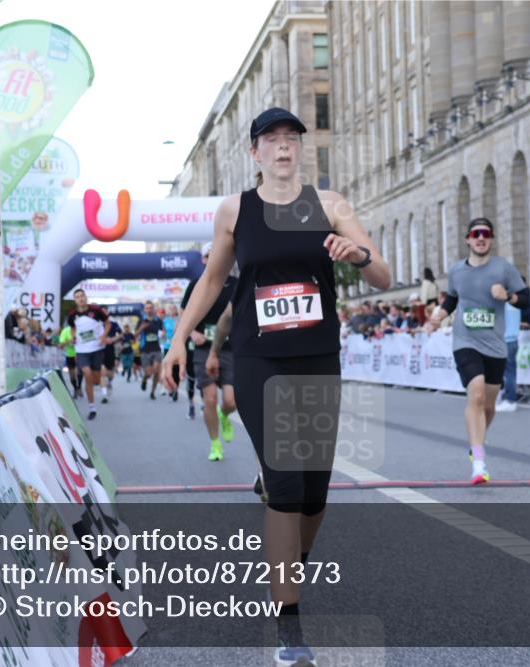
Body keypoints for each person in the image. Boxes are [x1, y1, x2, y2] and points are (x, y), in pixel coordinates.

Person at [160, 107, 390, 665]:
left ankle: (289, 563)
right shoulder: (236, 211)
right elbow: (214, 279)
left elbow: (383, 273)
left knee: (314, 493)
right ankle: (288, 624)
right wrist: (177, 341)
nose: (284, 149)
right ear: (255, 153)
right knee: (287, 486)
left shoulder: (330, 206)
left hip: (317, 357)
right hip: (261, 360)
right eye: (273, 140)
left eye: (292, 140)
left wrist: (356, 253)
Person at [427, 217, 529, 484]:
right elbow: (452, 298)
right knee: (476, 393)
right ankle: (479, 462)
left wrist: (509, 296)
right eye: (475, 234)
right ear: (468, 239)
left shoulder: (504, 268)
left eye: (485, 234)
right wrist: (439, 315)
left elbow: (526, 300)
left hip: (495, 345)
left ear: (491, 239)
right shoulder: (456, 271)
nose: (480, 238)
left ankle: (476, 444)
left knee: (489, 405)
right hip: (465, 341)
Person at [180, 241, 239, 461]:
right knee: (211, 398)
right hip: (204, 349)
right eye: (209, 255)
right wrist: (192, 333)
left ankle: (225, 416)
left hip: (231, 349)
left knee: (231, 401)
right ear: (204, 260)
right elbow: (183, 316)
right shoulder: (196, 285)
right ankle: (215, 445)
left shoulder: (237, 283)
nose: (215, 258)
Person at [66, 288, 110, 420]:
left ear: (86, 297)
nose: (80, 298)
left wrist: (104, 335)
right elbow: (73, 328)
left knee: (96, 380)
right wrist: (73, 337)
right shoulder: (72, 315)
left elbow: (107, 323)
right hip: (82, 350)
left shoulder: (96, 311)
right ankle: (92, 408)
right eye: (77, 297)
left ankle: (97, 383)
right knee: (87, 374)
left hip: (96, 348)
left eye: (82, 296)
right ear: (75, 300)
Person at [136, 301, 165, 400]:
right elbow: (135, 335)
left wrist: (163, 333)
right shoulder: (141, 320)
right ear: (144, 310)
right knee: (149, 373)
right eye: (147, 308)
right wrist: (142, 328)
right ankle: (145, 379)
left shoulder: (157, 320)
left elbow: (162, 331)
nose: (149, 310)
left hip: (156, 348)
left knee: (157, 371)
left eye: (150, 308)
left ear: (153, 309)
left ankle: (152, 392)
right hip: (145, 350)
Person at [100, 315, 124, 403]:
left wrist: (112, 339)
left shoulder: (113, 324)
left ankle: (109, 382)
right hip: (99, 350)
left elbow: (121, 334)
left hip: (110, 350)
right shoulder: (96, 324)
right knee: (102, 372)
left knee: (110, 374)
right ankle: (104, 395)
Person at [58, 321, 82, 397]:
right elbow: (60, 345)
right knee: (72, 375)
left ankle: (79, 387)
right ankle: (75, 388)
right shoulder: (65, 331)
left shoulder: (81, 329)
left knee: (79, 372)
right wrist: (69, 341)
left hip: (80, 354)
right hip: (70, 354)